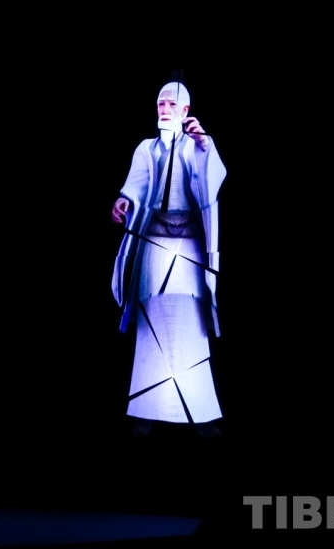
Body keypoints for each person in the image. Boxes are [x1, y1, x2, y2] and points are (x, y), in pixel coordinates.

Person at [111, 81, 226, 438]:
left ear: (185, 110)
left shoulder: (198, 146)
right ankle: (146, 410)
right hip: (155, 243)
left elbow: (212, 182)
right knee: (151, 322)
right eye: (161, 103)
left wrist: (204, 145)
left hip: (188, 245)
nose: (164, 108)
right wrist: (124, 201)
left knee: (191, 323)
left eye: (172, 104)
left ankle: (199, 412)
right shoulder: (147, 149)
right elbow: (136, 186)